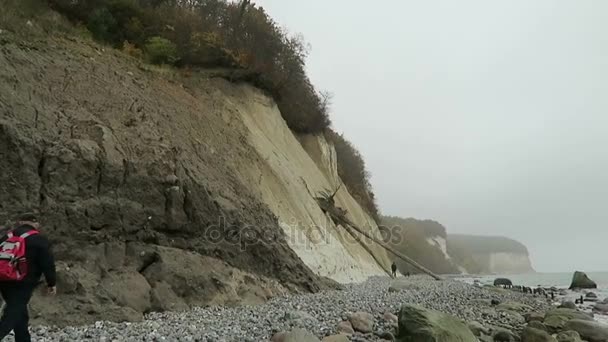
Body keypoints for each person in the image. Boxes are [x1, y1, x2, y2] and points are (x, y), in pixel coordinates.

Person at [0, 213, 56, 342]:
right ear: (35, 223)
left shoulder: (6, 237)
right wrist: (51, 282)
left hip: (3, 279)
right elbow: (47, 263)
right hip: (24, 282)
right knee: (14, 311)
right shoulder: (38, 239)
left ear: (20, 222)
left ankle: (23, 339)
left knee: (19, 309)